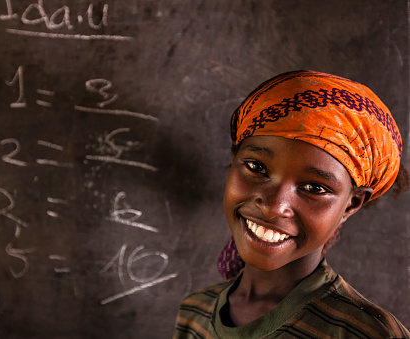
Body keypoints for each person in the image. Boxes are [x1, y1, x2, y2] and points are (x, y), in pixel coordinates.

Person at [173, 70, 410, 338]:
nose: (274, 206)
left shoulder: (367, 333)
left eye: (314, 188)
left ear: (350, 205)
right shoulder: (194, 313)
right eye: (256, 167)